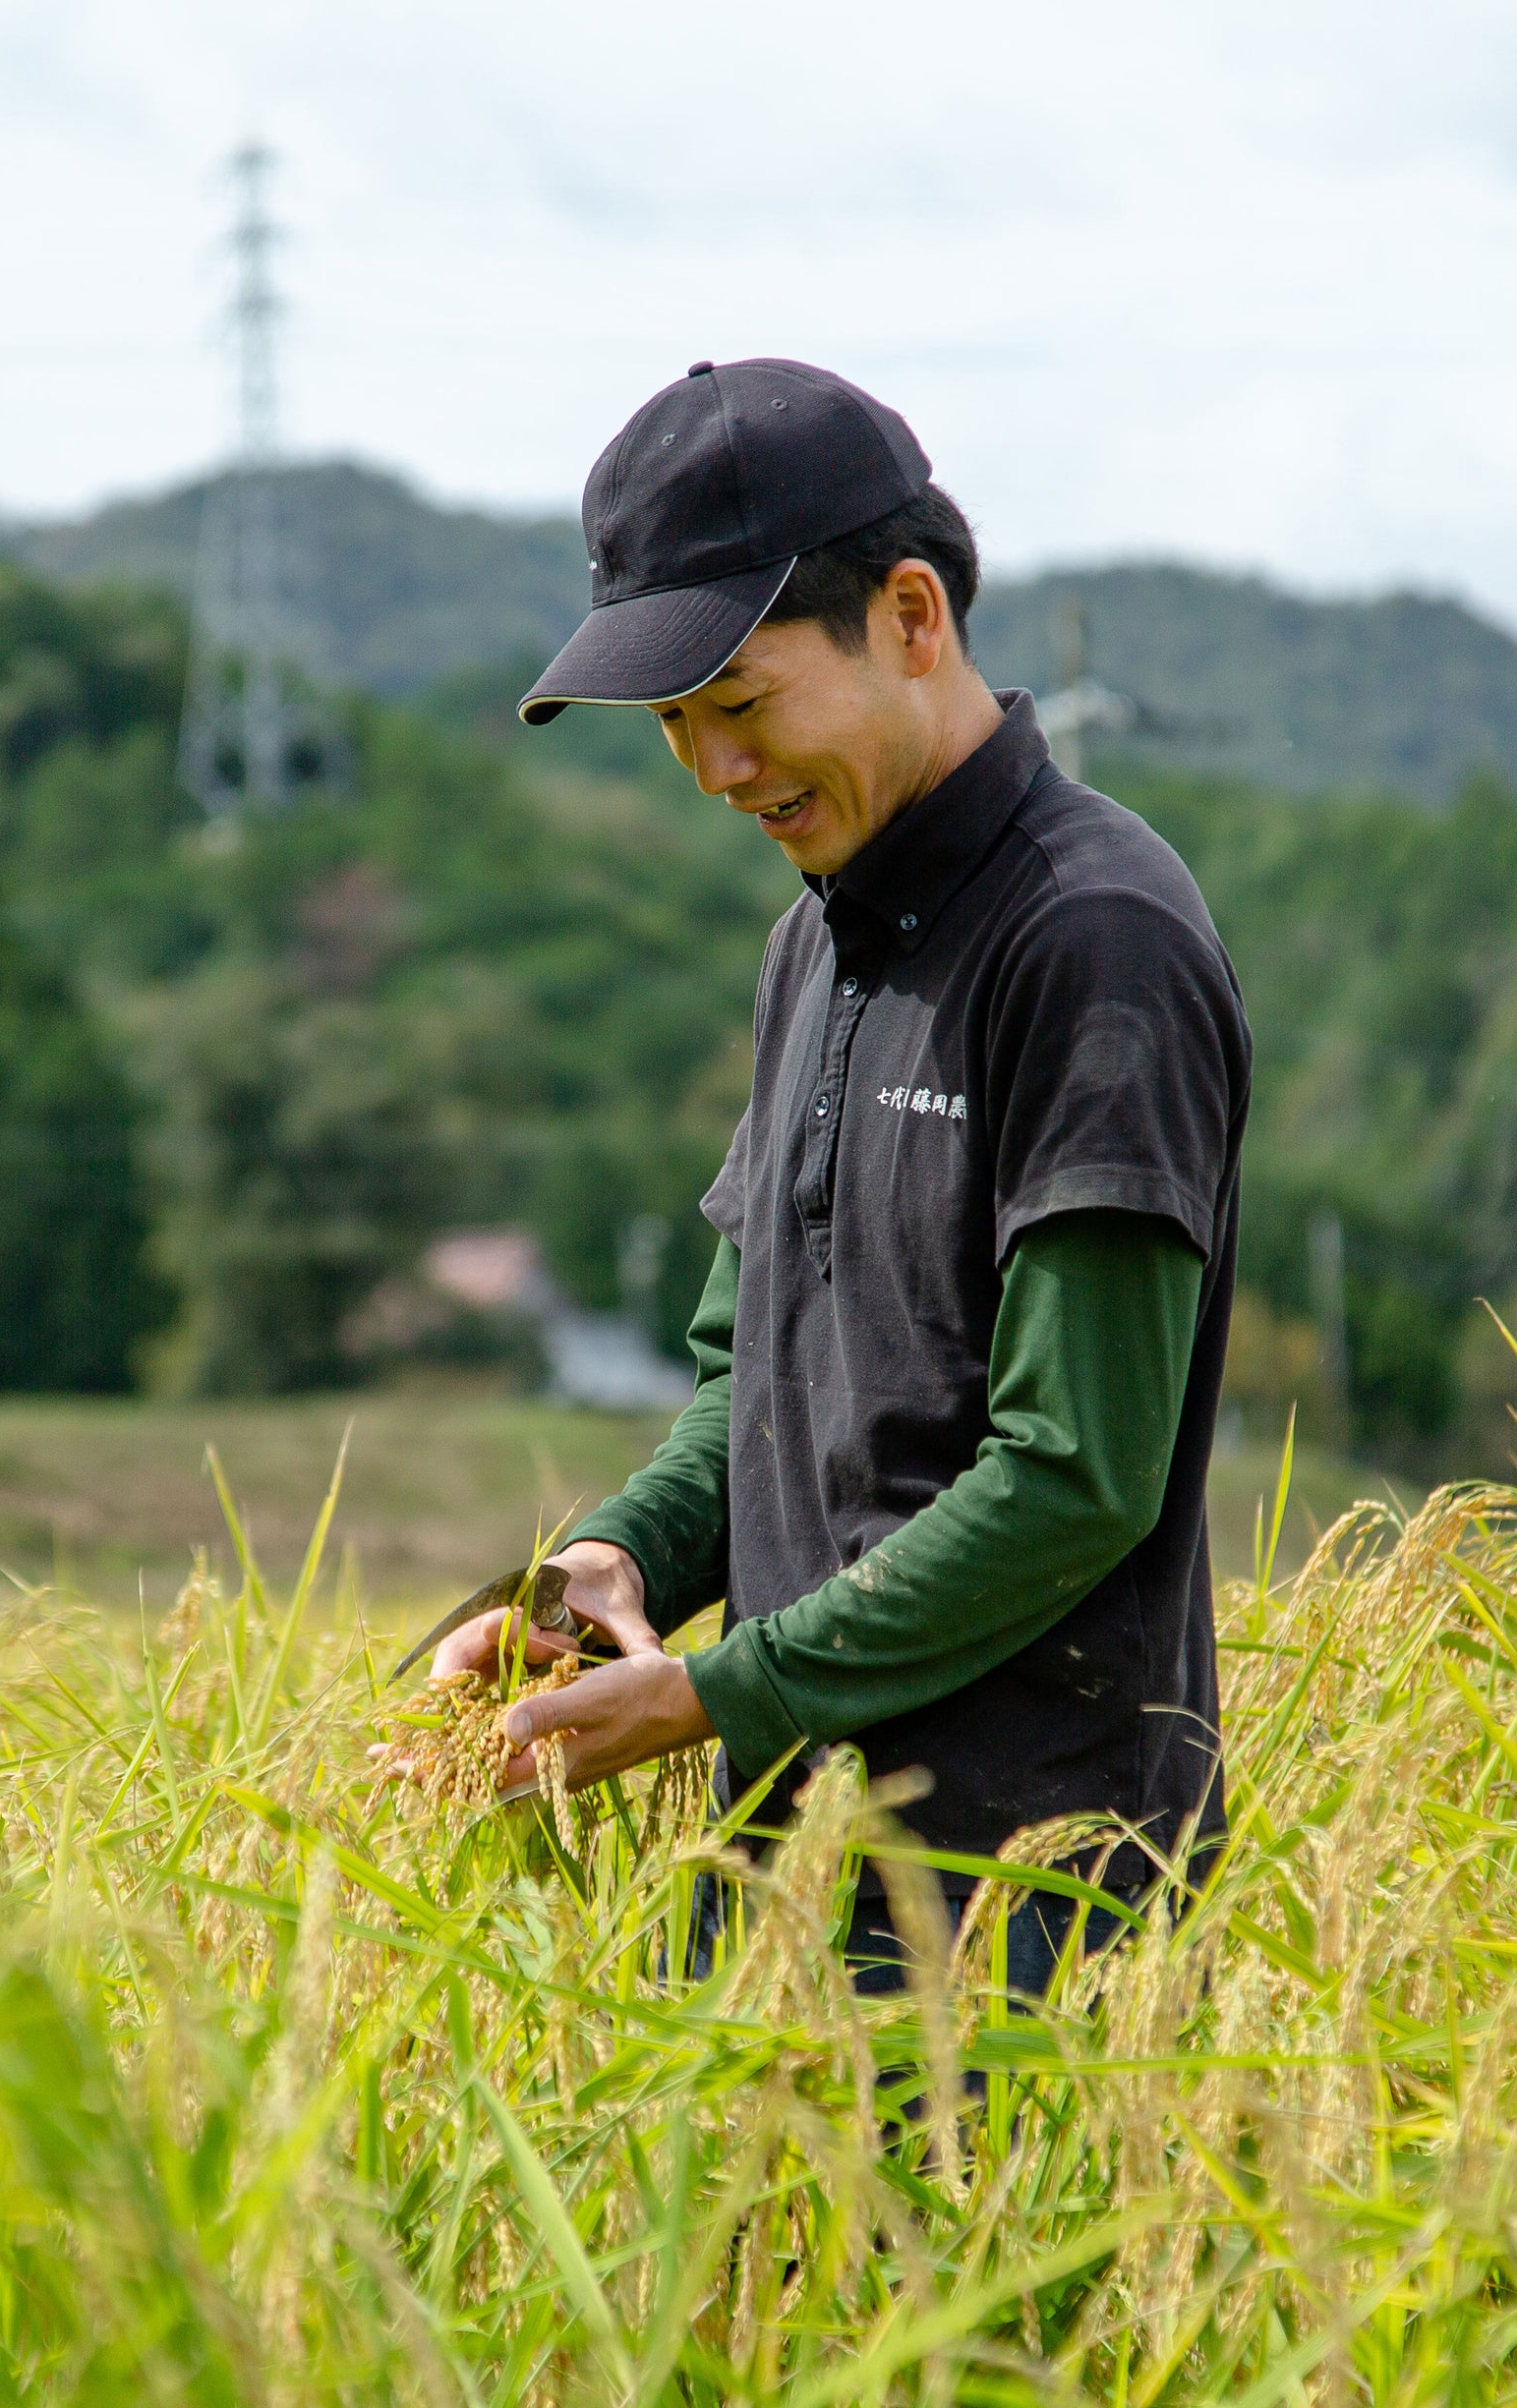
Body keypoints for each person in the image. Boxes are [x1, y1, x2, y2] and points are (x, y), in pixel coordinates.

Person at [431, 357, 1253, 1994]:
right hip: (791, 1889)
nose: (718, 773)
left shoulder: (1092, 942)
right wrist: (616, 1569)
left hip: (1023, 1915)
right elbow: (754, 1383)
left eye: (744, 704)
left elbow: (1074, 1472)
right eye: (676, 727)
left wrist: (714, 1695)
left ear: (911, 616)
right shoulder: (812, 948)